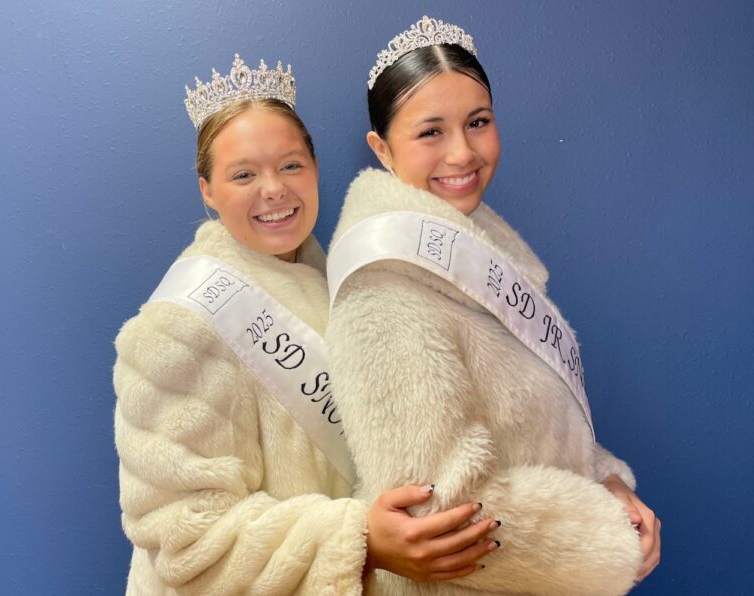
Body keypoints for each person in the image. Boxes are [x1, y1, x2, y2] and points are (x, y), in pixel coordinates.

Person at [113, 54, 498, 595]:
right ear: (207, 190)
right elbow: (186, 543)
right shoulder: (177, 330)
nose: (273, 189)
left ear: (315, 169)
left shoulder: (339, 276)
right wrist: (359, 538)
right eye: (243, 174)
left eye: (291, 165)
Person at [325, 16, 661, 595]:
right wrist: (609, 534)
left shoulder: (485, 251)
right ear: (382, 149)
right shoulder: (384, 288)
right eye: (431, 132)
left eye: (477, 122)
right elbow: (438, 514)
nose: (463, 152)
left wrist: (610, 482)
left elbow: (540, 434)